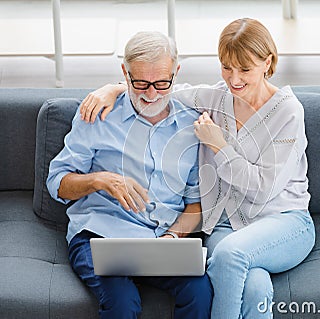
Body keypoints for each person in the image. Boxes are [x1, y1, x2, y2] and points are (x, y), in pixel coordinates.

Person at [79, 18, 315, 319]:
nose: (234, 79)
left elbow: (263, 188)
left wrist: (218, 145)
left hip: (284, 222)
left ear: (267, 62)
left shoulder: (288, 111)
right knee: (255, 287)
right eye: (227, 67)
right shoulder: (216, 98)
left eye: (245, 69)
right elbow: (157, 90)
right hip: (228, 227)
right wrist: (112, 89)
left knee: (230, 256)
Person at [46, 31, 212, 319]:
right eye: (140, 83)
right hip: (100, 236)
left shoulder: (191, 124)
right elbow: (57, 183)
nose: (151, 94)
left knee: (200, 291)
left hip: (162, 242)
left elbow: (195, 203)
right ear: (124, 73)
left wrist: (173, 237)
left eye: (162, 83)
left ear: (176, 72)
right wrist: (101, 180)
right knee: (123, 302)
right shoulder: (98, 115)